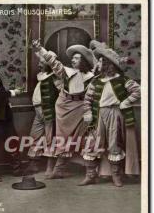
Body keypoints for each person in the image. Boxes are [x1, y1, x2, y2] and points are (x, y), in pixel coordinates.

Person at [32, 40, 96, 179]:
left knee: (85, 138)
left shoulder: (92, 77)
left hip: (80, 108)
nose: (73, 60)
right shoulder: (68, 72)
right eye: (72, 58)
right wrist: (40, 49)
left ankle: (90, 173)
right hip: (63, 107)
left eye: (77, 58)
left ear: (84, 61)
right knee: (63, 139)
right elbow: (54, 63)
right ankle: (59, 169)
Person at [80, 46, 141, 187]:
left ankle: (116, 175)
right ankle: (90, 175)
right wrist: (88, 112)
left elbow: (138, 90)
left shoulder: (122, 79)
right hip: (98, 113)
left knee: (115, 143)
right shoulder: (95, 81)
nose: (100, 65)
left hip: (115, 113)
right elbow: (87, 99)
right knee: (93, 143)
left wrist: (126, 101)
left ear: (110, 64)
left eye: (103, 62)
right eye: (100, 62)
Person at [27, 51, 58, 177]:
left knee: (50, 139)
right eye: (39, 62)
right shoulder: (41, 75)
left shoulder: (54, 77)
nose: (39, 64)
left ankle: (50, 167)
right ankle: (33, 164)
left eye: (42, 62)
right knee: (34, 136)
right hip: (38, 111)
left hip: (48, 111)